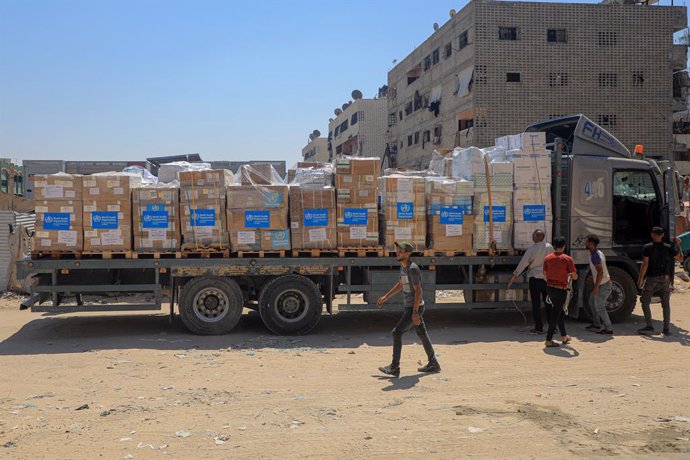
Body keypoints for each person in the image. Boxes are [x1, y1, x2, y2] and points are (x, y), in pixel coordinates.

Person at [377, 241, 440, 377]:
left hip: (414, 307)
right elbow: (401, 283)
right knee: (422, 333)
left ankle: (394, 367)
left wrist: (415, 312)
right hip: (412, 307)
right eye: (397, 251)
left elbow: (418, 291)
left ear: (407, 254)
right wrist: (386, 297)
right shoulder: (404, 267)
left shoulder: (412, 269)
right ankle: (433, 363)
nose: (397, 253)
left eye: (400, 251)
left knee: (397, 333)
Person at [637, 227, 682, 336]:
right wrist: (678, 245)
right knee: (665, 303)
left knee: (645, 301)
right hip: (665, 279)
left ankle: (649, 326)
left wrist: (640, 279)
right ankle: (666, 329)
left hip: (652, 278)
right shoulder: (668, 248)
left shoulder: (647, 247)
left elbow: (645, 264)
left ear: (652, 234)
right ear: (662, 235)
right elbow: (680, 258)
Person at [508, 229, 554, 334]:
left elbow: (523, 264)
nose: (532, 237)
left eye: (533, 235)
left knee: (536, 304)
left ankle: (539, 328)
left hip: (535, 279)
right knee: (549, 303)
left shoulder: (531, 249)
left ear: (537, 237)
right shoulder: (550, 247)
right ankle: (552, 327)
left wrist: (514, 276)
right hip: (547, 279)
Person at [542, 236, 579, 348]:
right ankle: (548, 340)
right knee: (556, 313)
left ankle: (564, 336)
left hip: (550, 288)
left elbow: (544, 274)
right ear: (564, 246)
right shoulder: (567, 259)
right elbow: (575, 276)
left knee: (559, 312)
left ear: (554, 246)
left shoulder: (547, 258)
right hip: (561, 289)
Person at [585, 234, 613, 335]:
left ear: (591, 244)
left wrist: (596, 287)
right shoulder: (597, 253)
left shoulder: (595, 256)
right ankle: (596, 324)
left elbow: (600, 272)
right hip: (602, 283)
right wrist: (591, 278)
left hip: (603, 285)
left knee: (600, 306)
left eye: (587, 241)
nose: (585, 243)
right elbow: (598, 271)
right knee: (591, 302)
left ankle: (608, 328)